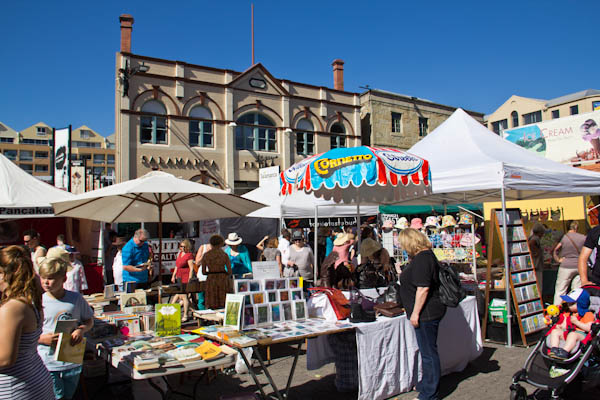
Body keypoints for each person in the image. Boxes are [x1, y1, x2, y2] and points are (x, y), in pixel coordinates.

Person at [0, 245, 54, 400]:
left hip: (15, 388)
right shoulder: (29, 300)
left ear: (5, 274)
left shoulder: (12, 308)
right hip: (33, 379)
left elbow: (5, 358)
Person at [398, 228, 446, 400]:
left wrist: (415, 313)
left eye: (402, 243)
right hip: (426, 312)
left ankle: (429, 393)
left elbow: (423, 288)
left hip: (426, 313)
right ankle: (427, 385)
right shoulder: (424, 257)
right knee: (427, 351)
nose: (401, 246)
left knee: (428, 353)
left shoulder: (423, 259)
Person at [37, 256, 94, 400]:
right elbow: (27, 332)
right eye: (43, 278)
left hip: (71, 358)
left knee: (68, 395)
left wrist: (81, 329)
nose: (46, 282)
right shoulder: (38, 302)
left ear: (63, 278)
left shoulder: (75, 299)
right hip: (47, 361)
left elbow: (89, 320)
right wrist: (42, 338)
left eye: (50, 278)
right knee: (58, 396)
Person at [547, 289, 595, 359]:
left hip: (581, 335)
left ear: (580, 304)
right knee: (555, 331)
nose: (568, 305)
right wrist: (560, 326)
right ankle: (554, 350)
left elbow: (589, 328)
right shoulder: (569, 314)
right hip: (569, 332)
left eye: (571, 304)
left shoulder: (588, 315)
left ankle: (564, 352)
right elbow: (565, 325)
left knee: (573, 335)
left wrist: (576, 322)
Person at [552, 221, 586, 305]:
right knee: (576, 290)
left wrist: (558, 259)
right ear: (576, 227)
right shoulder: (583, 237)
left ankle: (557, 310)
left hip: (566, 266)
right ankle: (575, 309)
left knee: (560, 289)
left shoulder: (564, 237)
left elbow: (556, 249)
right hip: (579, 266)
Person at [201, 235, 233, 309]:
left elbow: (203, 272)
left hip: (211, 278)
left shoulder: (206, 255)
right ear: (221, 243)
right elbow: (229, 271)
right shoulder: (224, 255)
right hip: (222, 279)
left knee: (212, 301)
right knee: (222, 301)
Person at [170, 239, 195, 322]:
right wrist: (173, 276)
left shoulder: (189, 255)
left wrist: (190, 279)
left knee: (183, 295)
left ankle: (185, 315)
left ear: (187, 247)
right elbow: (177, 266)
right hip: (179, 276)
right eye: (180, 246)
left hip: (185, 276)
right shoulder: (180, 254)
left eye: (183, 246)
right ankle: (195, 311)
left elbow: (191, 268)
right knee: (179, 294)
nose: (181, 248)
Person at [528, 223, 546, 289]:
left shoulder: (531, 237)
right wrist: (537, 252)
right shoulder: (536, 238)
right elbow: (531, 243)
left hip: (533, 265)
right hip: (537, 266)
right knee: (538, 286)